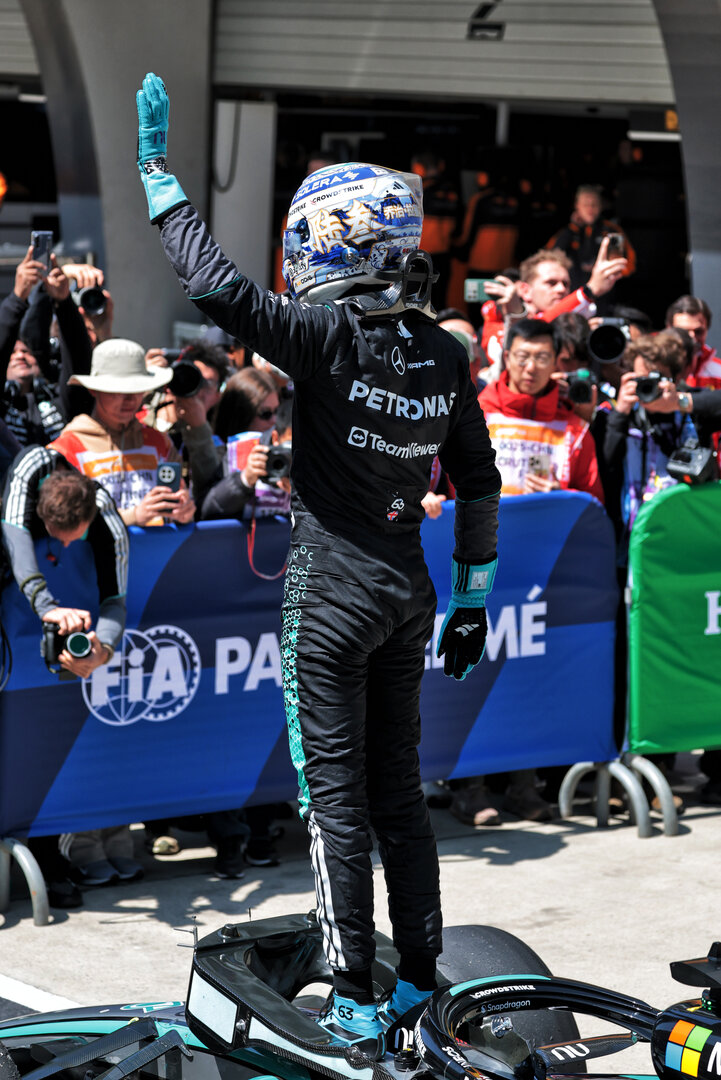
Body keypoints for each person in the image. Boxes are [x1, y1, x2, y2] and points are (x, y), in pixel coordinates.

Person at [137, 72, 501, 1057]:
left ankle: (349, 1000)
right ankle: (419, 984)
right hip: (411, 594)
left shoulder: (326, 334)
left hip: (330, 598)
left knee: (334, 804)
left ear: (323, 247)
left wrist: (158, 178)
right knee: (401, 799)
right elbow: (479, 475)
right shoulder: (445, 352)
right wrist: (472, 596)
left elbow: (214, 286)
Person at [1, 449, 131, 906]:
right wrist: (48, 607)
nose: (67, 548)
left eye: (73, 539)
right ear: (42, 515)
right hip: (11, 590)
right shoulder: (25, 480)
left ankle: (48, 853)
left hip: (40, 648)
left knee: (39, 747)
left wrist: (104, 650)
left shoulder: (107, 517)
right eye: (57, 538)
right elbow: (20, 554)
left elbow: (116, 598)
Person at [48, 338, 196, 527]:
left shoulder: (158, 440)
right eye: (117, 390)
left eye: (137, 389)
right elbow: (66, 524)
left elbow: (179, 502)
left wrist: (184, 513)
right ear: (94, 390)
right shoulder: (66, 449)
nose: (130, 399)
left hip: (160, 555)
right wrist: (133, 517)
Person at [479, 242, 628, 378]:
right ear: (525, 291)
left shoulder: (578, 320)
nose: (561, 289)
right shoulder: (497, 321)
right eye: (551, 283)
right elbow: (532, 331)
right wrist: (589, 291)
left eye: (565, 284)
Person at [544, 184, 636, 292]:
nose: (590, 209)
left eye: (594, 204)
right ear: (577, 206)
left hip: (603, 293)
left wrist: (611, 274)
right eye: (585, 204)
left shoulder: (611, 230)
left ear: (601, 206)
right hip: (572, 291)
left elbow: (630, 264)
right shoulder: (567, 231)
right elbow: (549, 257)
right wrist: (572, 229)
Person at [665, 295, 721, 390]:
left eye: (698, 331)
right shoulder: (651, 366)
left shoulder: (718, 371)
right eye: (683, 332)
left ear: (707, 330)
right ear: (668, 328)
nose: (692, 339)